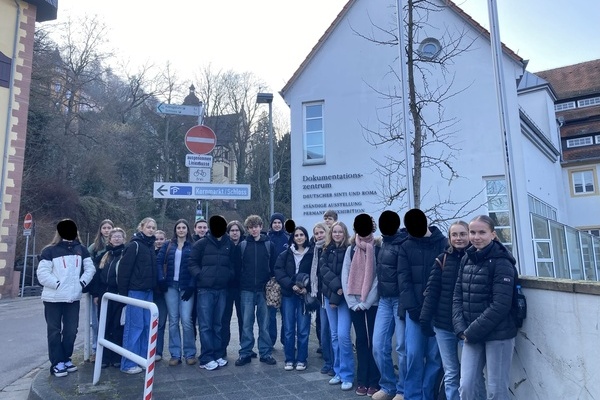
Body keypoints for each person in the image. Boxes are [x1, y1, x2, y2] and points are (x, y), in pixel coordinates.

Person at [453, 215, 518, 400]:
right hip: (470, 334)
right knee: (466, 386)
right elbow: (457, 296)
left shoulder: (502, 262)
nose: (476, 237)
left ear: (493, 234)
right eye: (472, 232)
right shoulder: (467, 258)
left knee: (496, 391)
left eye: (482, 232)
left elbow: (501, 305)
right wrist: (460, 328)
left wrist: (471, 332)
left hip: (498, 334)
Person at [398, 209, 446, 400]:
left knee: (434, 357)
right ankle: (412, 396)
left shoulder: (443, 243)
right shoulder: (405, 246)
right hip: (415, 311)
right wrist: (413, 308)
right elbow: (404, 280)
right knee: (413, 354)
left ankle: (428, 395)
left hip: (437, 311)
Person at [37, 219, 95, 377]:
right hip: (53, 299)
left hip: (73, 298)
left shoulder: (81, 250)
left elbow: (90, 269)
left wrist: (81, 283)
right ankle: (57, 363)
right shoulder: (49, 250)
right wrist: (57, 284)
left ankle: (66, 358)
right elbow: (42, 273)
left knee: (71, 330)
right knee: (54, 331)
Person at [188, 215, 235, 370]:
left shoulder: (229, 244)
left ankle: (217, 354)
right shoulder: (201, 244)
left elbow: (233, 264)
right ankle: (206, 357)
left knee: (218, 324)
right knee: (205, 325)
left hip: (222, 289)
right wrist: (200, 275)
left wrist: (228, 276)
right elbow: (192, 263)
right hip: (205, 289)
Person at [342, 213, 381, 392]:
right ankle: (362, 380)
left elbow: (377, 278)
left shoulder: (378, 248)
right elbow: (345, 275)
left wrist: (367, 302)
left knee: (374, 341)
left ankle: (374, 381)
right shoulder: (351, 249)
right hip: (354, 302)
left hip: (373, 303)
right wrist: (352, 302)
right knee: (361, 340)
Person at [372, 211, 408, 400]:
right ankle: (387, 385)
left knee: (402, 347)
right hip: (385, 300)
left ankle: (403, 389)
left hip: (400, 300)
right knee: (378, 345)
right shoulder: (383, 242)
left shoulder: (404, 242)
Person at [235, 215, 277, 367]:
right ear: (248, 229)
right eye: (251, 227)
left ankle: (265, 353)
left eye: (256, 226)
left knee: (264, 324)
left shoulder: (269, 245)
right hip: (246, 289)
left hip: (264, 289)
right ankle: (245, 352)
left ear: (261, 227)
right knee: (246, 323)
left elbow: (274, 266)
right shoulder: (243, 245)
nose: (254, 229)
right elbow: (238, 267)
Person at [117, 217, 157, 374]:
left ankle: (142, 359)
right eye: (148, 227)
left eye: (153, 227)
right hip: (135, 292)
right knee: (135, 327)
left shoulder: (150, 246)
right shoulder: (134, 245)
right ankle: (128, 363)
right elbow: (124, 271)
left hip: (148, 291)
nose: (151, 230)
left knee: (147, 327)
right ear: (141, 227)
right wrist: (123, 295)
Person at [320, 221, 355, 387]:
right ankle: (338, 371)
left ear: (345, 233)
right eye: (335, 232)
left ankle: (347, 375)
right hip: (330, 296)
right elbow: (324, 271)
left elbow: (347, 274)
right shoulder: (326, 250)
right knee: (334, 335)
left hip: (344, 299)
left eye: (340, 232)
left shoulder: (350, 250)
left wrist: (340, 291)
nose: (337, 234)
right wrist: (336, 289)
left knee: (343, 335)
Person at [156, 220, 196, 367]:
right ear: (175, 230)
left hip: (186, 287)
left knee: (186, 320)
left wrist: (192, 285)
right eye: (178, 227)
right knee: (173, 320)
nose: (181, 230)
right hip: (171, 286)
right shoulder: (168, 245)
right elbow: (159, 262)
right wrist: (161, 279)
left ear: (187, 230)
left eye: (183, 227)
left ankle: (190, 353)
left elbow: (196, 265)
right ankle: (175, 354)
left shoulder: (193, 245)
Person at [274, 225, 314, 371]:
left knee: (303, 329)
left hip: (304, 296)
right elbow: (279, 271)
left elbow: (315, 273)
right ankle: (289, 359)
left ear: (306, 237)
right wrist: (291, 285)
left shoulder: (312, 254)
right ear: (293, 238)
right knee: (289, 328)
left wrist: (307, 288)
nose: (299, 237)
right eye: (296, 235)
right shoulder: (285, 254)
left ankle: (302, 359)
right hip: (289, 295)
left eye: (301, 235)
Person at [94, 228, 127, 368]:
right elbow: (97, 275)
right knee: (104, 325)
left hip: (118, 294)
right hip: (104, 294)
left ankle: (116, 357)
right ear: (110, 239)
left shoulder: (125, 254)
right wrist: (96, 294)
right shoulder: (105, 255)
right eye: (114, 237)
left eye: (119, 236)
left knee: (117, 325)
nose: (117, 239)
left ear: (124, 239)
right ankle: (104, 357)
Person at [87, 219, 114, 362]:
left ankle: (110, 350)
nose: (107, 230)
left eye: (109, 227)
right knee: (96, 322)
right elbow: (89, 268)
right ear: (100, 230)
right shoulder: (94, 247)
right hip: (97, 288)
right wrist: (94, 291)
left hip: (112, 288)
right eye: (104, 228)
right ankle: (95, 349)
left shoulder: (117, 245)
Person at [220, 220, 248, 359]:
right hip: (227, 287)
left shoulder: (246, 245)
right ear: (228, 232)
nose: (235, 233)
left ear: (241, 232)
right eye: (232, 230)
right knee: (225, 319)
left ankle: (245, 347)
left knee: (244, 319)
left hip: (242, 287)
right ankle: (223, 346)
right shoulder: (224, 245)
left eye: (237, 230)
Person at [312, 222, 334, 375]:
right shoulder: (315, 250)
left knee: (333, 332)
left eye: (322, 232)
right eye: (316, 233)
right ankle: (328, 362)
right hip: (320, 296)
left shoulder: (331, 249)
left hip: (331, 295)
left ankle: (335, 363)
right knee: (324, 331)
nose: (319, 235)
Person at [316, 209, 337, 355]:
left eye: (329, 218)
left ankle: (334, 359)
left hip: (333, 292)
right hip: (320, 293)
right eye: (326, 218)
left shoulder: (334, 246)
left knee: (334, 330)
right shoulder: (315, 248)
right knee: (323, 327)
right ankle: (327, 356)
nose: (327, 221)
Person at [267, 213, 289, 348]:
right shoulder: (267, 238)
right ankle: (270, 340)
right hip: (271, 281)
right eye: (274, 222)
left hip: (285, 280)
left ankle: (286, 340)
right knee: (271, 314)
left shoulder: (288, 239)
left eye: (279, 222)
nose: (277, 225)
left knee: (286, 314)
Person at [153, 230, 168, 361]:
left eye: (161, 239)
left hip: (164, 292)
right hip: (151, 292)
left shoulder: (168, 253)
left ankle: (158, 351)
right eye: (156, 239)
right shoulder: (149, 252)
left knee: (161, 323)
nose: (158, 241)